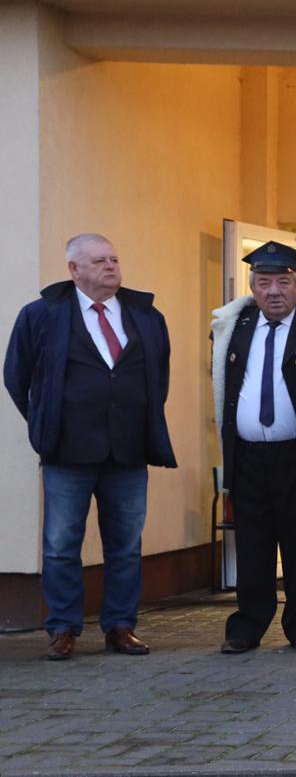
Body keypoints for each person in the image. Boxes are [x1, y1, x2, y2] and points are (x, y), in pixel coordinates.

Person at [6, 233, 176, 660]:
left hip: (128, 451)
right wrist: (45, 422)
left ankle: (120, 626)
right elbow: (17, 375)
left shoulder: (144, 314)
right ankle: (63, 628)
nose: (111, 266)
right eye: (99, 260)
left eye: (115, 259)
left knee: (125, 543)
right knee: (62, 544)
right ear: (74, 269)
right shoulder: (43, 314)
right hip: (68, 451)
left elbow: (159, 377)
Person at [212, 240, 296, 654]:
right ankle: (247, 626)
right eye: (264, 282)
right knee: (253, 544)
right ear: (252, 286)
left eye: (283, 281)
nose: (274, 291)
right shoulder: (236, 325)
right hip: (247, 456)